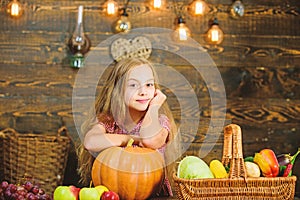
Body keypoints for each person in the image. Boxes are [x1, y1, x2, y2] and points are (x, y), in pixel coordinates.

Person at [77, 57, 179, 196]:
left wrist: (154, 106)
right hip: (112, 195)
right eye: (133, 85)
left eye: (149, 85)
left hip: (153, 196)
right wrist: (130, 139)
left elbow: (148, 140)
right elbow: (90, 142)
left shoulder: (160, 122)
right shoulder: (109, 121)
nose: (143, 92)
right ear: (118, 90)